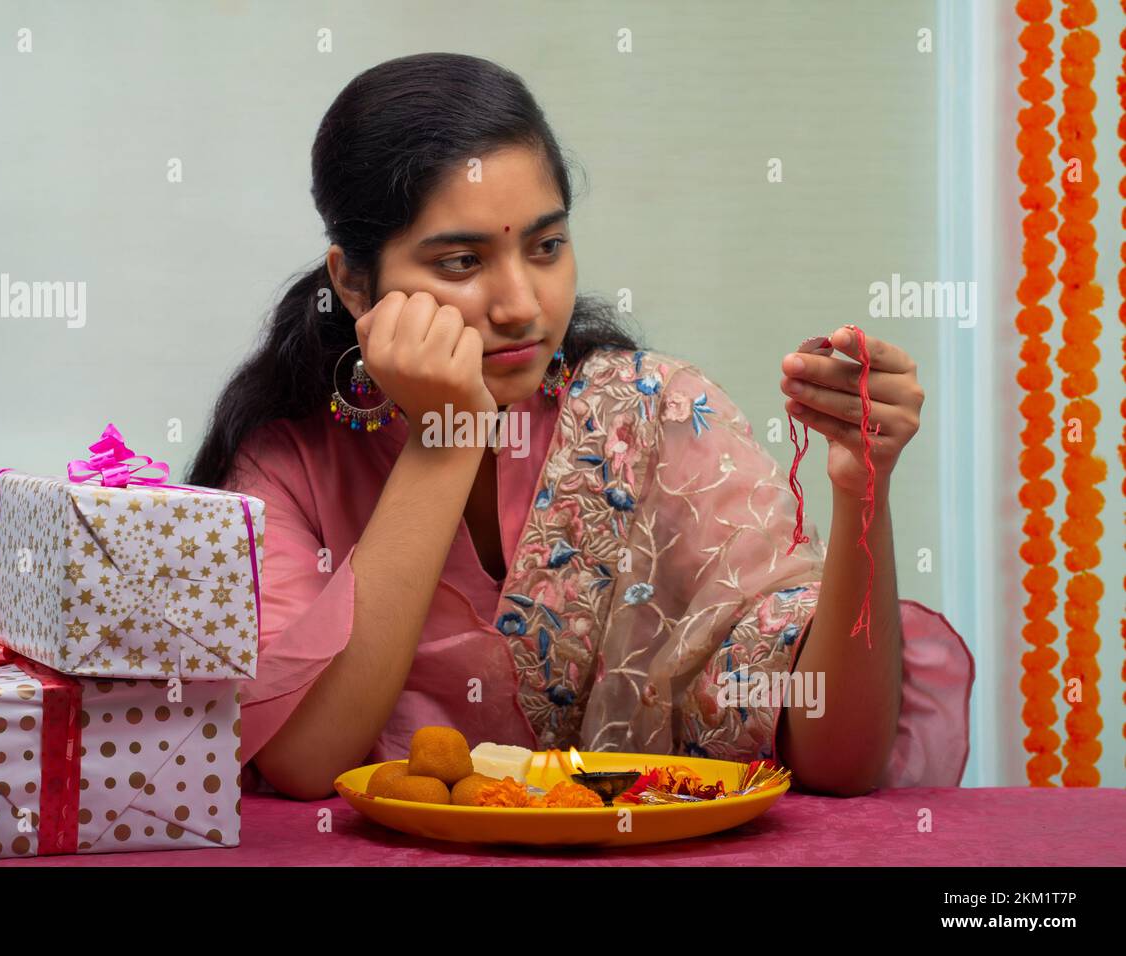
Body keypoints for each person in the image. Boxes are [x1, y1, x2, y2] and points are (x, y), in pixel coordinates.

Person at [187, 52, 972, 801]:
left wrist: (862, 488)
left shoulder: (656, 418)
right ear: (355, 283)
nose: (522, 304)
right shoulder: (288, 457)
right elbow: (304, 761)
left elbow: (841, 760)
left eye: (547, 246)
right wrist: (449, 436)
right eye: (461, 262)